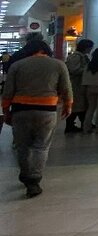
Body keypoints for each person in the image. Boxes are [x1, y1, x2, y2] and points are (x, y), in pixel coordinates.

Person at [1, 40, 72, 198]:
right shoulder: (58, 65)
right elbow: (66, 88)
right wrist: (68, 105)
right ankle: (34, 179)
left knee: (22, 146)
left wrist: (6, 110)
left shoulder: (17, 65)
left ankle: (26, 175)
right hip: (47, 110)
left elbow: (8, 91)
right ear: (46, 50)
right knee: (41, 146)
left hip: (20, 110)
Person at [64, 39, 93, 133]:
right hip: (76, 85)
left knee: (80, 106)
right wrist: (87, 69)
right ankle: (71, 125)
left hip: (79, 85)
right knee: (77, 106)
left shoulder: (82, 57)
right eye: (90, 48)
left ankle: (83, 124)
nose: (90, 50)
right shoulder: (76, 57)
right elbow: (74, 70)